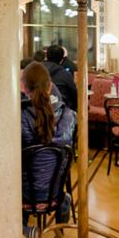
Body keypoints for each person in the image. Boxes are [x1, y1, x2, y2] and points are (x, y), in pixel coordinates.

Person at [20, 61, 76, 223]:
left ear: (24, 88)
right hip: (55, 194)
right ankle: (62, 216)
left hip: (24, 195)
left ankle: (23, 230)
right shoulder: (69, 116)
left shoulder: (20, 117)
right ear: (50, 86)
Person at [42, 46, 78, 112]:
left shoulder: (36, 70)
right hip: (60, 111)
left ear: (46, 56)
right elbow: (75, 96)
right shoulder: (65, 74)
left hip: (37, 111)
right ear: (62, 59)